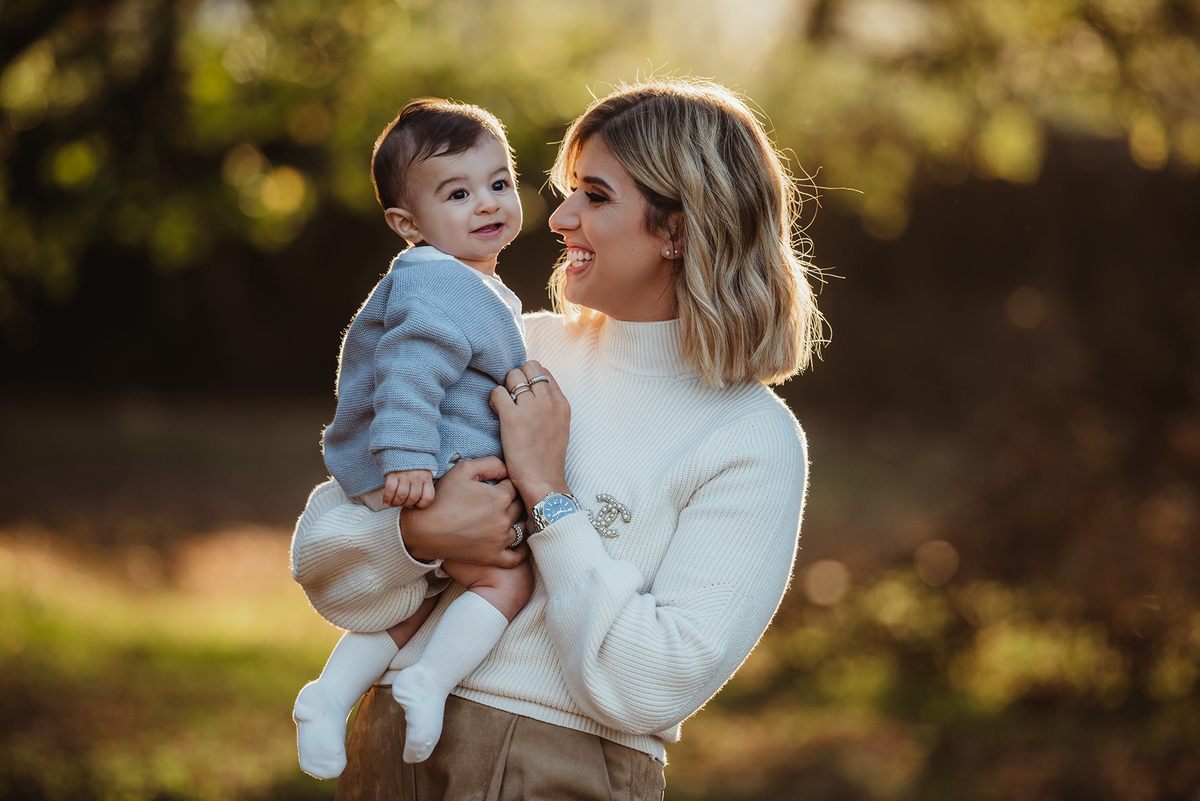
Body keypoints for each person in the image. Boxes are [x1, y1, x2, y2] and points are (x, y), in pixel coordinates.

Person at [290, 77, 824, 799]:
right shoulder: (511, 346)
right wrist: (418, 534)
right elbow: (323, 554)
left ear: (676, 230)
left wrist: (549, 497)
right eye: (569, 189)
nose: (559, 216)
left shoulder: (750, 439)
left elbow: (652, 684)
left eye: (595, 196)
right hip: (389, 748)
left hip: (558, 772)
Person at [292, 98, 534, 778]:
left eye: (499, 182)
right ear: (407, 224)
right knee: (502, 579)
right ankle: (430, 677)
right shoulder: (435, 284)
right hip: (431, 465)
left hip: (436, 464)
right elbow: (407, 372)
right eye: (458, 193)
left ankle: (330, 693)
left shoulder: (469, 283)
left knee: (416, 597)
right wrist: (406, 458)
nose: (487, 203)